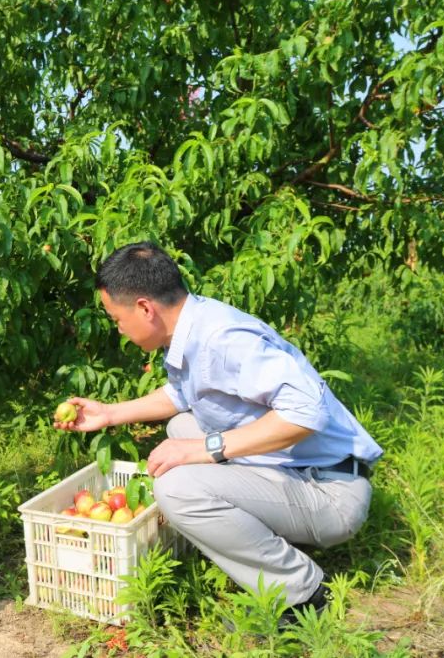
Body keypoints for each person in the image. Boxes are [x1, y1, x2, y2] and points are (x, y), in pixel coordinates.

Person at [55, 241, 382, 624]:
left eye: (116, 319)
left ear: (145, 308)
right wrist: (109, 413)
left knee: (178, 487)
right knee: (182, 428)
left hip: (331, 491)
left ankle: (301, 594)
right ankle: (245, 536)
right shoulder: (194, 324)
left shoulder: (222, 340)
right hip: (307, 468)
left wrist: (205, 449)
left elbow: (306, 413)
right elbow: (182, 395)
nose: (119, 329)